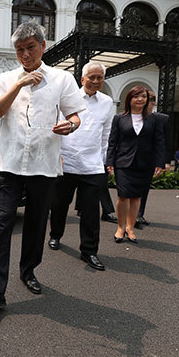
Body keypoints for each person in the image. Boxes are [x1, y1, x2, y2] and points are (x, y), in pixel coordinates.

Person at [0, 20, 86, 308]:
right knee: (3, 222)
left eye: (30, 48)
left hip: (44, 163)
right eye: (20, 50)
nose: (25, 55)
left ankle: (28, 271)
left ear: (43, 46)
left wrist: (71, 126)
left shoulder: (62, 80)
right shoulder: (5, 79)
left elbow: (75, 115)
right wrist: (18, 84)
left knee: (36, 223)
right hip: (9, 163)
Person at [48, 61, 114, 271]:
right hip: (66, 162)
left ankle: (89, 251)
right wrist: (56, 156)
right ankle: (55, 235)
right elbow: (56, 128)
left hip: (92, 166)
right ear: (82, 78)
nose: (95, 81)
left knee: (91, 212)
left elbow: (106, 135)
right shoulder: (69, 98)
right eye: (91, 77)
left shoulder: (107, 102)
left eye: (99, 77)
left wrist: (103, 161)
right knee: (59, 205)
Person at [106, 85, 166, 244]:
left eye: (144, 97)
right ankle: (120, 227)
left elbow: (159, 142)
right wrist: (109, 161)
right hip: (123, 163)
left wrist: (160, 163)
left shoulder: (154, 119)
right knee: (123, 196)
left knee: (137, 197)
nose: (140, 99)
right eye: (136, 96)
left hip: (145, 163)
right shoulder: (119, 118)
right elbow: (112, 142)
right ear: (129, 99)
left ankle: (130, 228)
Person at [136, 90, 171, 228]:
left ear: (153, 102)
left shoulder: (162, 119)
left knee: (144, 189)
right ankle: (130, 215)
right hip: (130, 159)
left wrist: (165, 162)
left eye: (146, 99)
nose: (142, 101)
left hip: (150, 160)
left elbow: (167, 142)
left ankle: (138, 214)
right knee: (129, 189)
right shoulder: (133, 117)